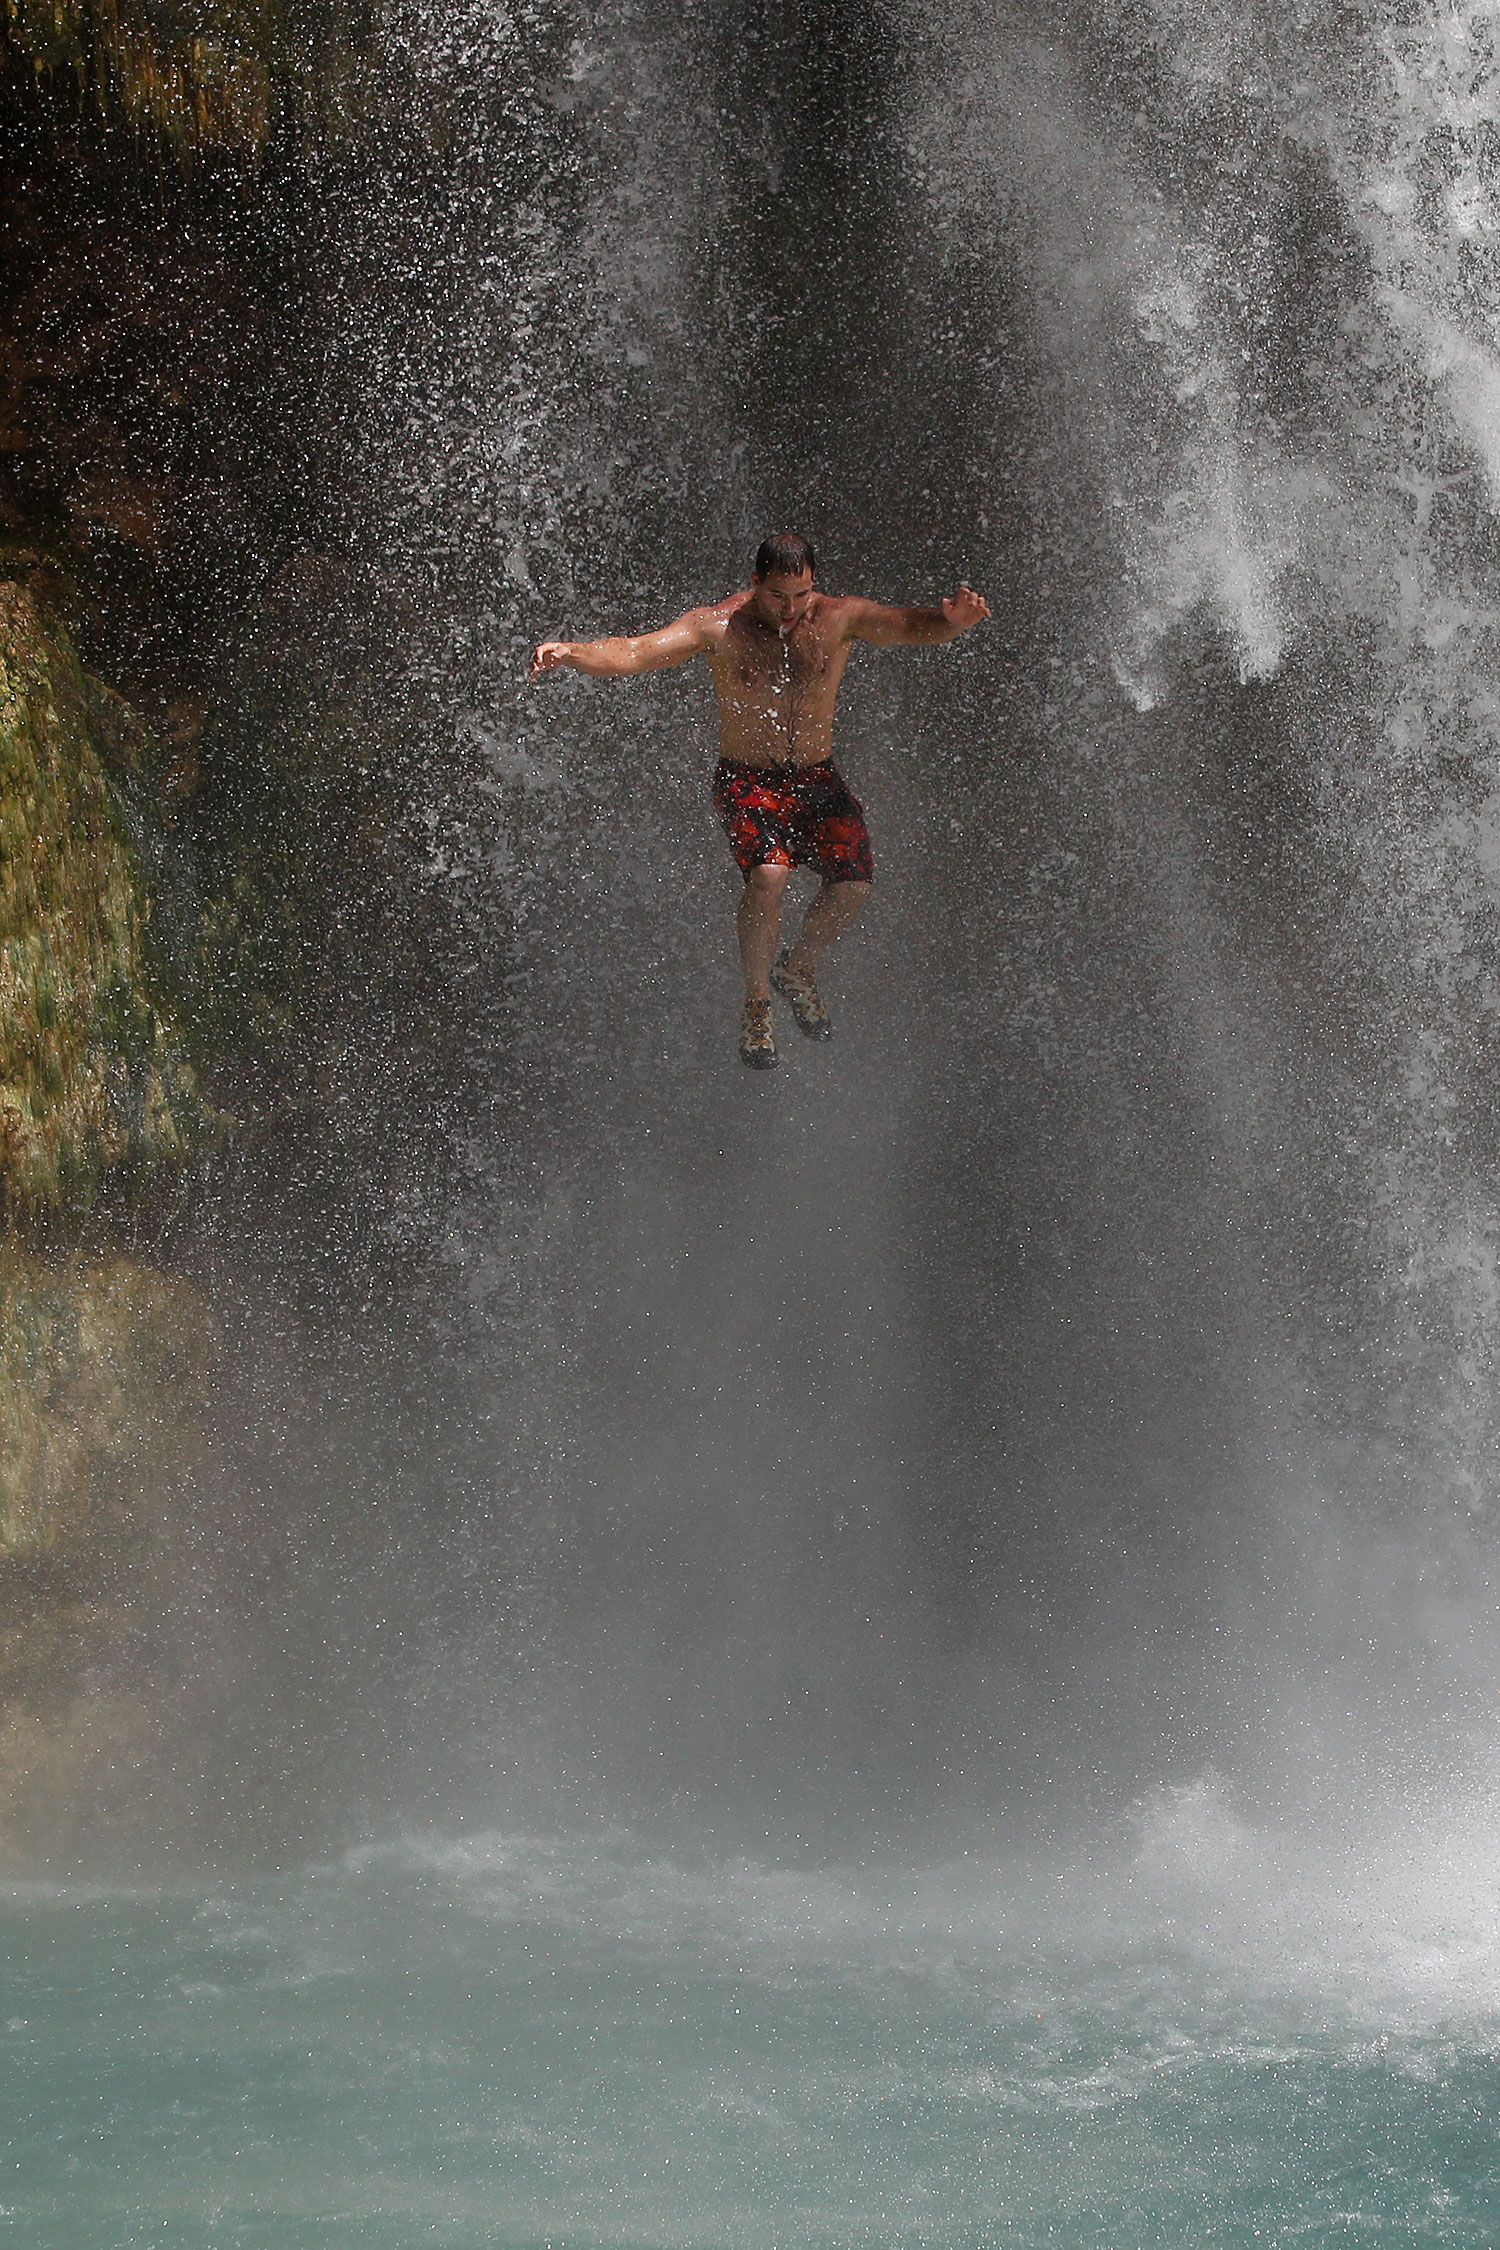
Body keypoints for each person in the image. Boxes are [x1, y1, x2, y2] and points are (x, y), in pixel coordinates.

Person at [530, 532, 991, 1067]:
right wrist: (572, 653)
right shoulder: (720, 627)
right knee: (770, 876)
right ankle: (756, 1004)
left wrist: (953, 623)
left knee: (854, 885)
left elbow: (910, 625)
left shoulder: (840, 618)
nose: (790, 608)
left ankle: (797, 967)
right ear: (755, 584)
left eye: (800, 595)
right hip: (749, 779)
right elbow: (635, 651)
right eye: (777, 596)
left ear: (813, 585)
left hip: (816, 778)